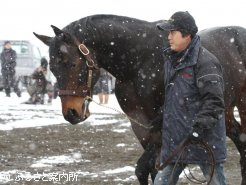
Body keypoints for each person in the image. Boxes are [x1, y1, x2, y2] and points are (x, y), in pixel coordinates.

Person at [154, 11, 227, 185]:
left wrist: (198, 129)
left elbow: (215, 103)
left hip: (205, 141)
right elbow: (175, 96)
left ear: (187, 34)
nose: (169, 37)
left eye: (173, 32)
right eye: (168, 33)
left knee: (216, 182)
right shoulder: (171, 61)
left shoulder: (206, 62)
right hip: (177, 142)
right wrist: (163, 115)